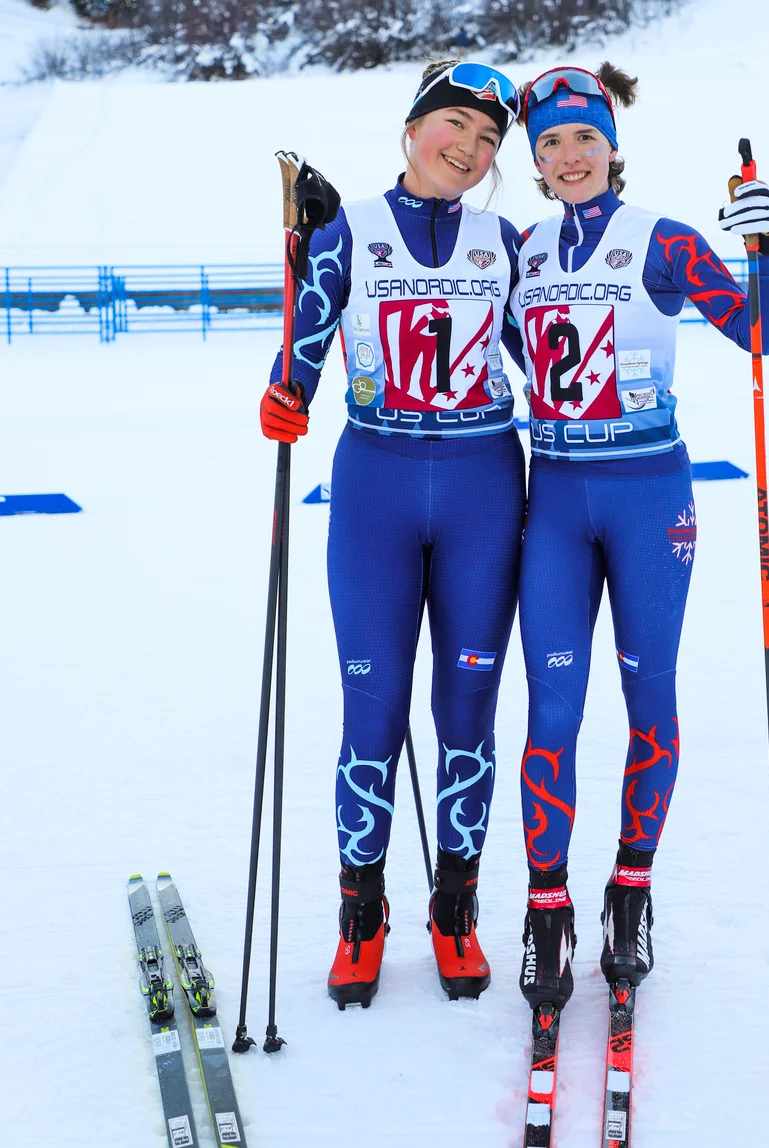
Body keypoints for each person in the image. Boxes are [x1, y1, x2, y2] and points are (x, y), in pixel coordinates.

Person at [509, 64, 769, 1013]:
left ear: (613, 147)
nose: (570, 156)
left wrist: (764, 249)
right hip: (558, 499)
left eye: (585, 139)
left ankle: (630, 895)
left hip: (647, 496)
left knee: (646, 698)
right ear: (536, 163)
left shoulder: (659, 241)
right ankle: (549, 915)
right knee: (551, 711)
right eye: (550, 144)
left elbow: (756, 337)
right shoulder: (523, 252)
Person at [260, 60, 527, 1007]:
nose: (471, 146)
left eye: (490, 139)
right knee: (369, 719)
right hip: (374, 484)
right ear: (412, 130)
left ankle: (454, 914)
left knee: (468, 720)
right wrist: (285, 394)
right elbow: (303, 345)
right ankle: (361, 915)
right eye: (455, 123)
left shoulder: (510, 244)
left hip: (483, 487)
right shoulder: (348, 229)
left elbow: (566, 347)